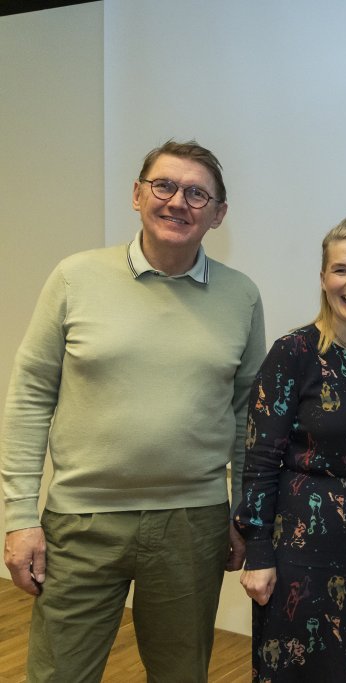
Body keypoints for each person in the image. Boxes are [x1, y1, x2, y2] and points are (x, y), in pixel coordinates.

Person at [0, 140, 265, 681]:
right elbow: (29, 397)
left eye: (197, 194)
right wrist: (19, 516)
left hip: (193, 525)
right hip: (81, 521)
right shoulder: (74, 277)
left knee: (180, 674)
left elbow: (249, 419)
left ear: (218, 214)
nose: (178, 201)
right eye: (163, 186)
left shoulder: (241, 296)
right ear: (137, 194)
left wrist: (244, 514)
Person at [233, 216, 346, 681]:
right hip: (303, 548)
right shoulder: (293, 353)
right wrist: (258, 552)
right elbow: (260, 458)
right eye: (341, 270)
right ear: (322, 279)